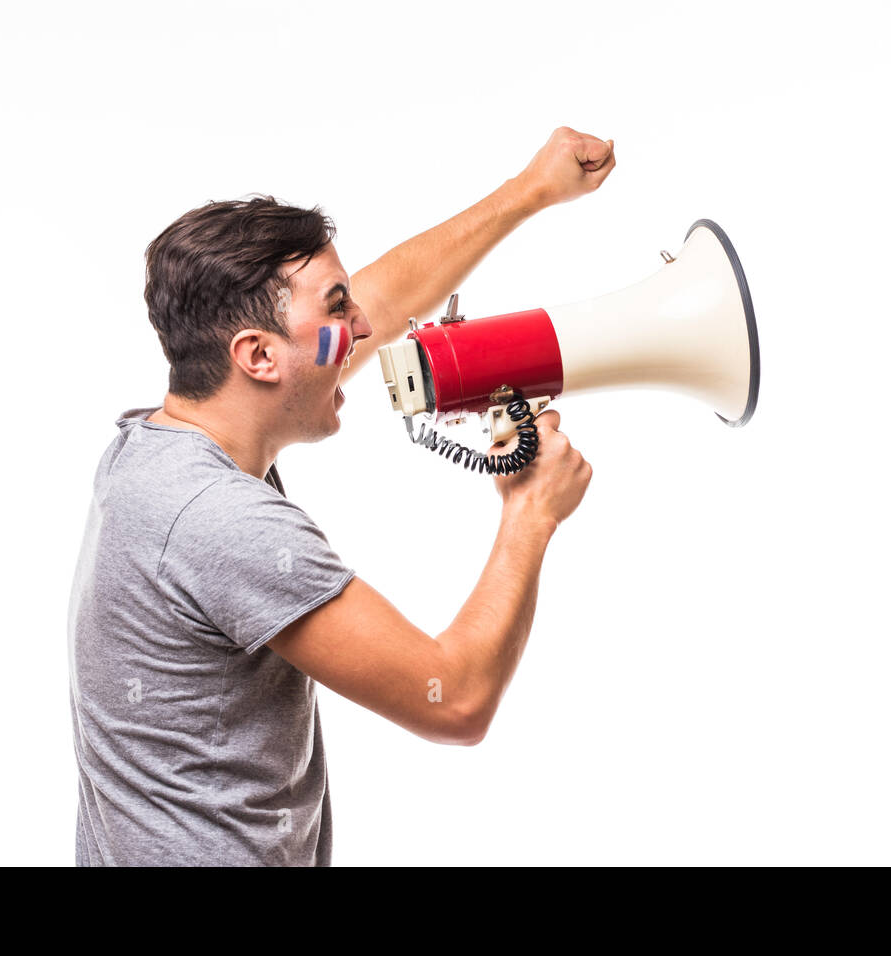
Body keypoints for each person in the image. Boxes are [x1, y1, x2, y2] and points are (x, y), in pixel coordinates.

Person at [68, 127, 615, 865]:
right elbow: (452, 699)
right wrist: (531, 512)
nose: (361, 331)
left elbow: (379, 303)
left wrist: (532, 189)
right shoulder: (221, 521)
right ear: (258, 356)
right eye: (336, 310)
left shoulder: (155, 450)